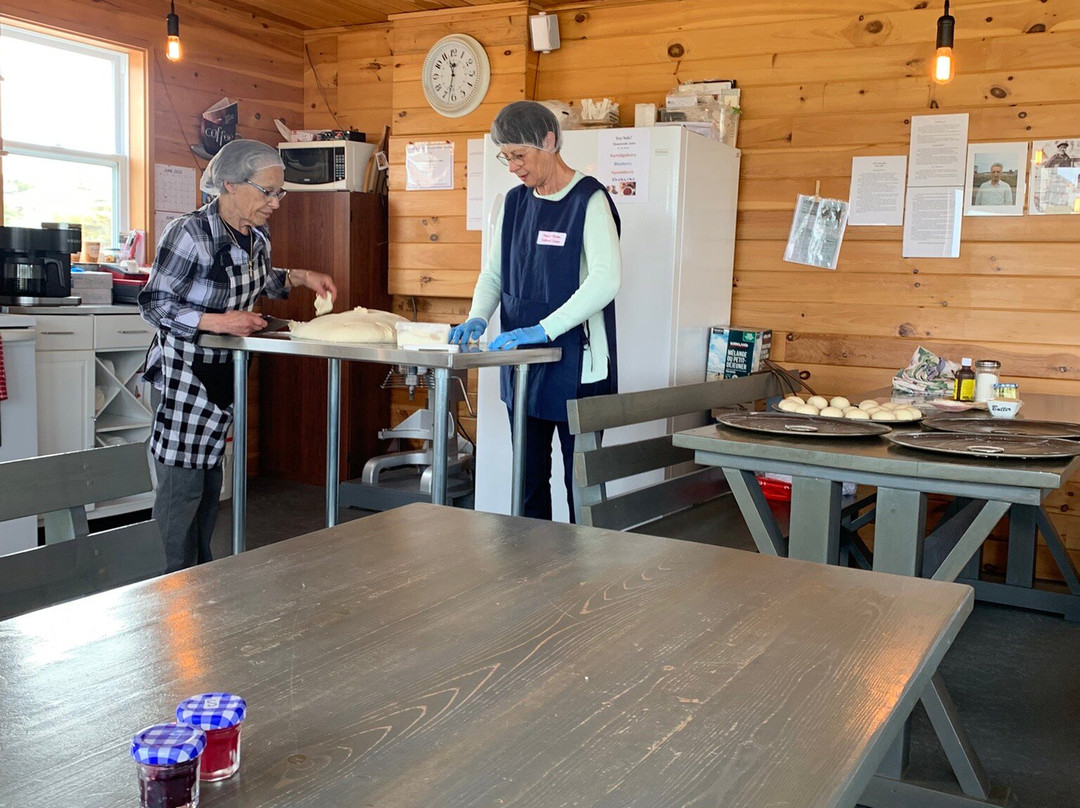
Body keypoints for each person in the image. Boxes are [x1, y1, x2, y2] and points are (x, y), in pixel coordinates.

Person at [139, 139, 336, 571]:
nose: (276, 204)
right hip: (184, 376)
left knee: (210, 489)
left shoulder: (256, 236)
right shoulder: (189, 234)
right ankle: (167, 593)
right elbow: (154, 303)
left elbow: (261, 280)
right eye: (268, 192)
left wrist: (303, 277)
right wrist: (218, 322)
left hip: (223, 377)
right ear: (229, 184)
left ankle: (200, 586)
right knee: (181, 491)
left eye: (279, 192)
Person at [449, 101, 621, 521]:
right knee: (527, 485)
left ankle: (583, 581)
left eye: (519, 155)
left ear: (549, 141)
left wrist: (543, 330)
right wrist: (478, 316)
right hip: (522, 365)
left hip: (578, 368)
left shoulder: (589, 200)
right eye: (505, 157)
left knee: (580, 489)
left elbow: (605, 280)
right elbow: (493, 275)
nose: (512, 167)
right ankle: (533, 577)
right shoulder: (513, 203)